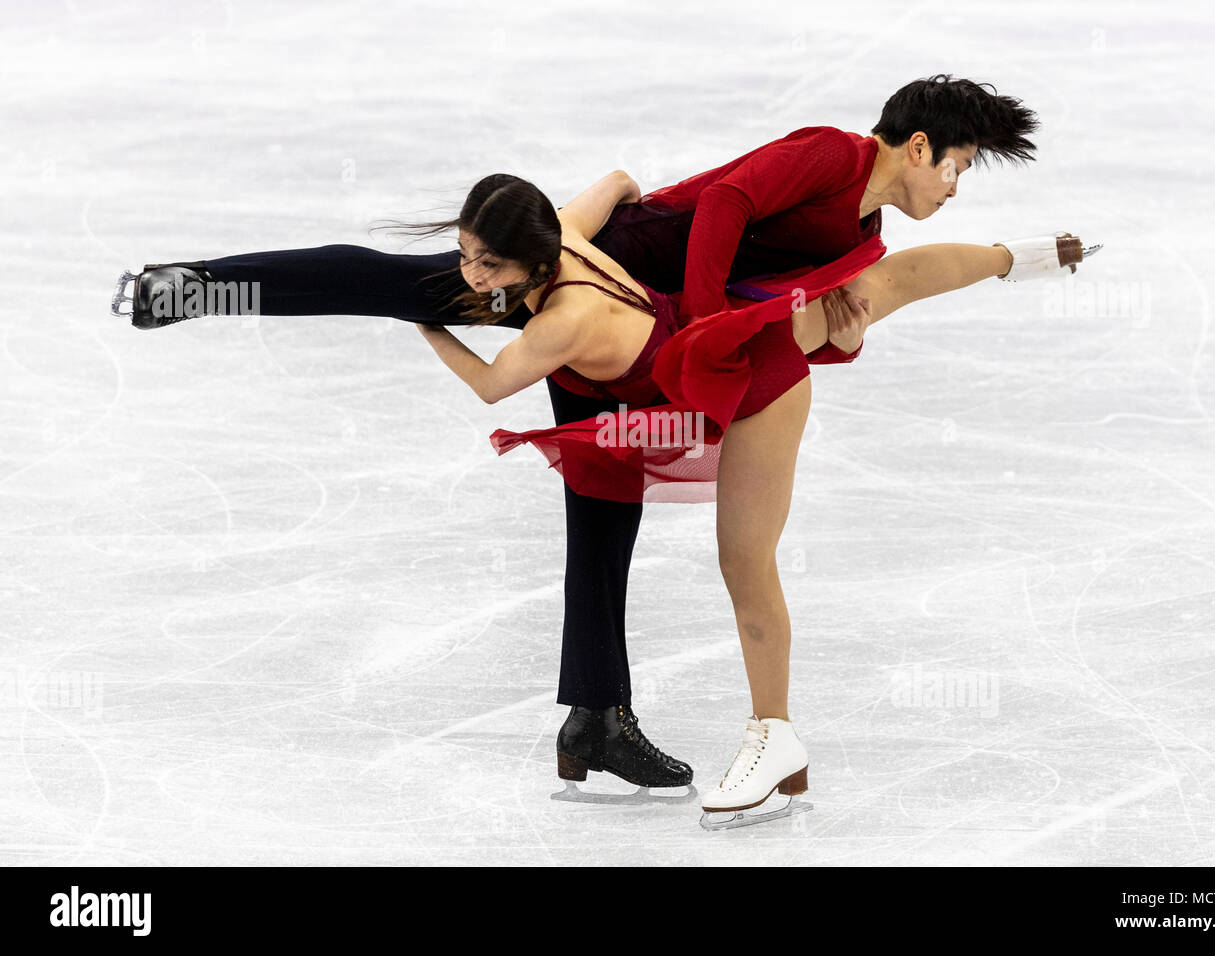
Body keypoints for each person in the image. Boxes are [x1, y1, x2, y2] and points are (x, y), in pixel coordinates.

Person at [115, 75, 1043, 793]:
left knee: (606, 500)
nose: (956, 186)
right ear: (917, 145)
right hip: (607, 277)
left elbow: (803, 297)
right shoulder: (834, 157)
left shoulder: (868, 228)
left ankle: (597, 715)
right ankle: (191, 285)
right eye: (958, 165)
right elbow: (722, 209)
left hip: (649, 331)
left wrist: (832, 324)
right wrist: (706, 329)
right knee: (399, 285)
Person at [411, 172, 1098, 825]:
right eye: (468, 256)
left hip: (743, 385)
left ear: (533, 258)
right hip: (724, 328)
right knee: (882, 287)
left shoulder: (559, 321)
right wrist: (633, 203)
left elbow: (494, 386)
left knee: (746, 566)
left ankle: (776, 738)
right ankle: (1024, 256)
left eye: (487, 264)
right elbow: (619, 178)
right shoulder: (567, 232)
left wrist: (426, 324)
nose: (471, 275)